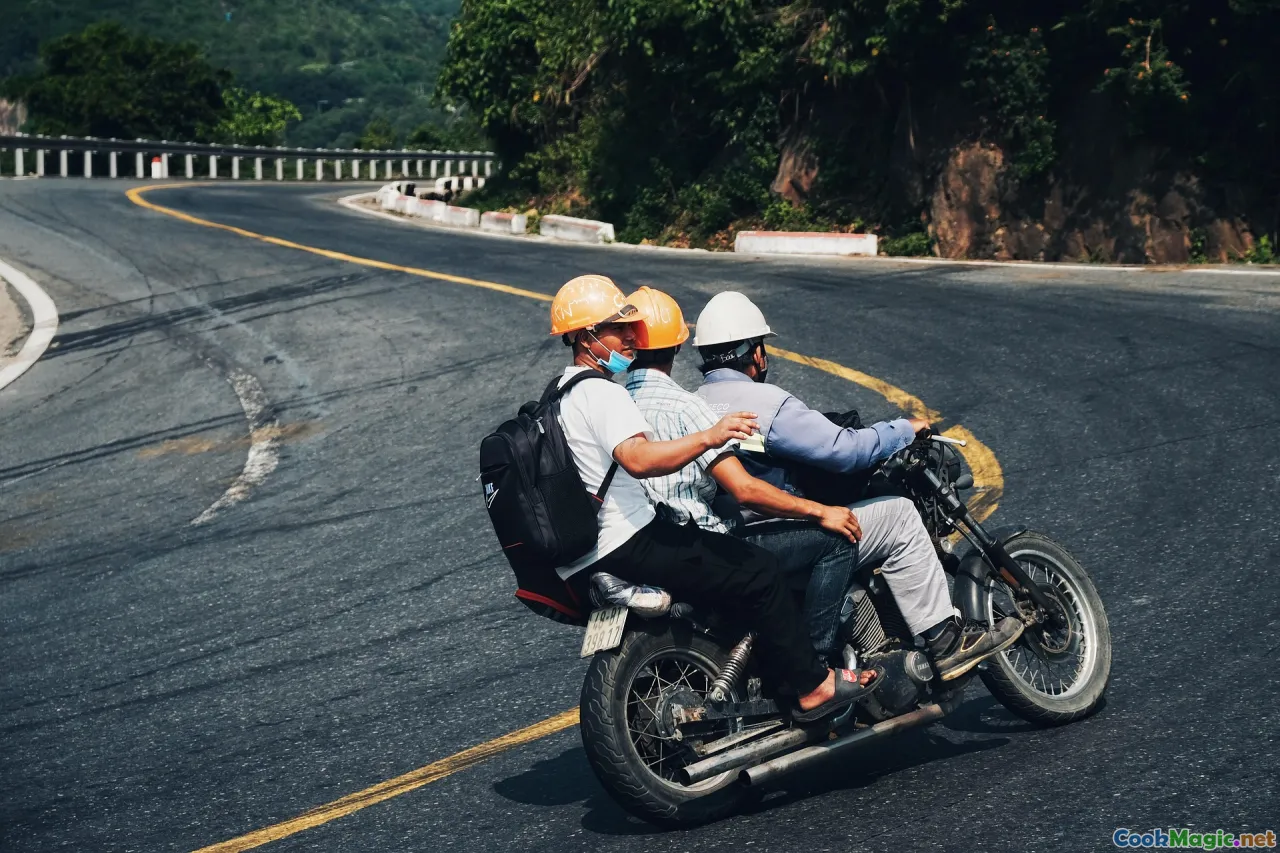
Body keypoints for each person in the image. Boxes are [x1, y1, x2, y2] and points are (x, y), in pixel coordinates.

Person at [547, 274, 876, 722]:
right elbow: (641, 459)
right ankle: (813, 683)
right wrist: (710, 436)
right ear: (586, 337)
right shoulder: (606, 393)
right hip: (631, 540)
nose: (629, 336)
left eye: (631, 328)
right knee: (761, 569)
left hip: (588, 550)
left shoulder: (559, 395)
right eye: (617, 328)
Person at [693, 291, 1024, 681]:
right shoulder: (765, 403)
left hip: (730, 538)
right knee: (899, 516)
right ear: (755, 352)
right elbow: (843, 450)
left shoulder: (694, 402)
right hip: (778, 532)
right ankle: (945, 642)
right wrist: (902, 429)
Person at [622, 286, 860, 665]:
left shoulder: (616, 404)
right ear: (678, 346)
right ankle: (816, 667)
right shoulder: (688, 407)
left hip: (642, 546)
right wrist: (821, 511)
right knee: (835, 542)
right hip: (702, 544)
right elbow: (745, 490)